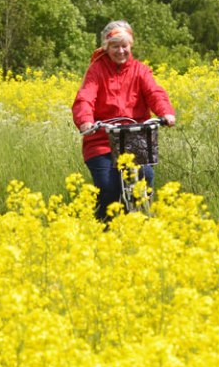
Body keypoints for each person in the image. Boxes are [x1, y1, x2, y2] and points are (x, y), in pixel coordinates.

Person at [72, 20, 177, 223]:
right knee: (108, 187)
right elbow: (85, 97)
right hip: (102, 140)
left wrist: (166, 113)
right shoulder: (96, 70)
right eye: (115, 46)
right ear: (106, 47)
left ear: (131, 46)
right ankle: (104, 230)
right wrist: (85, 121)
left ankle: (143, 223)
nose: (120, 51)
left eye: (124, 46)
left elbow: (155, 93)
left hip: (135, 138)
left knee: (145, 177)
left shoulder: (140, 70)